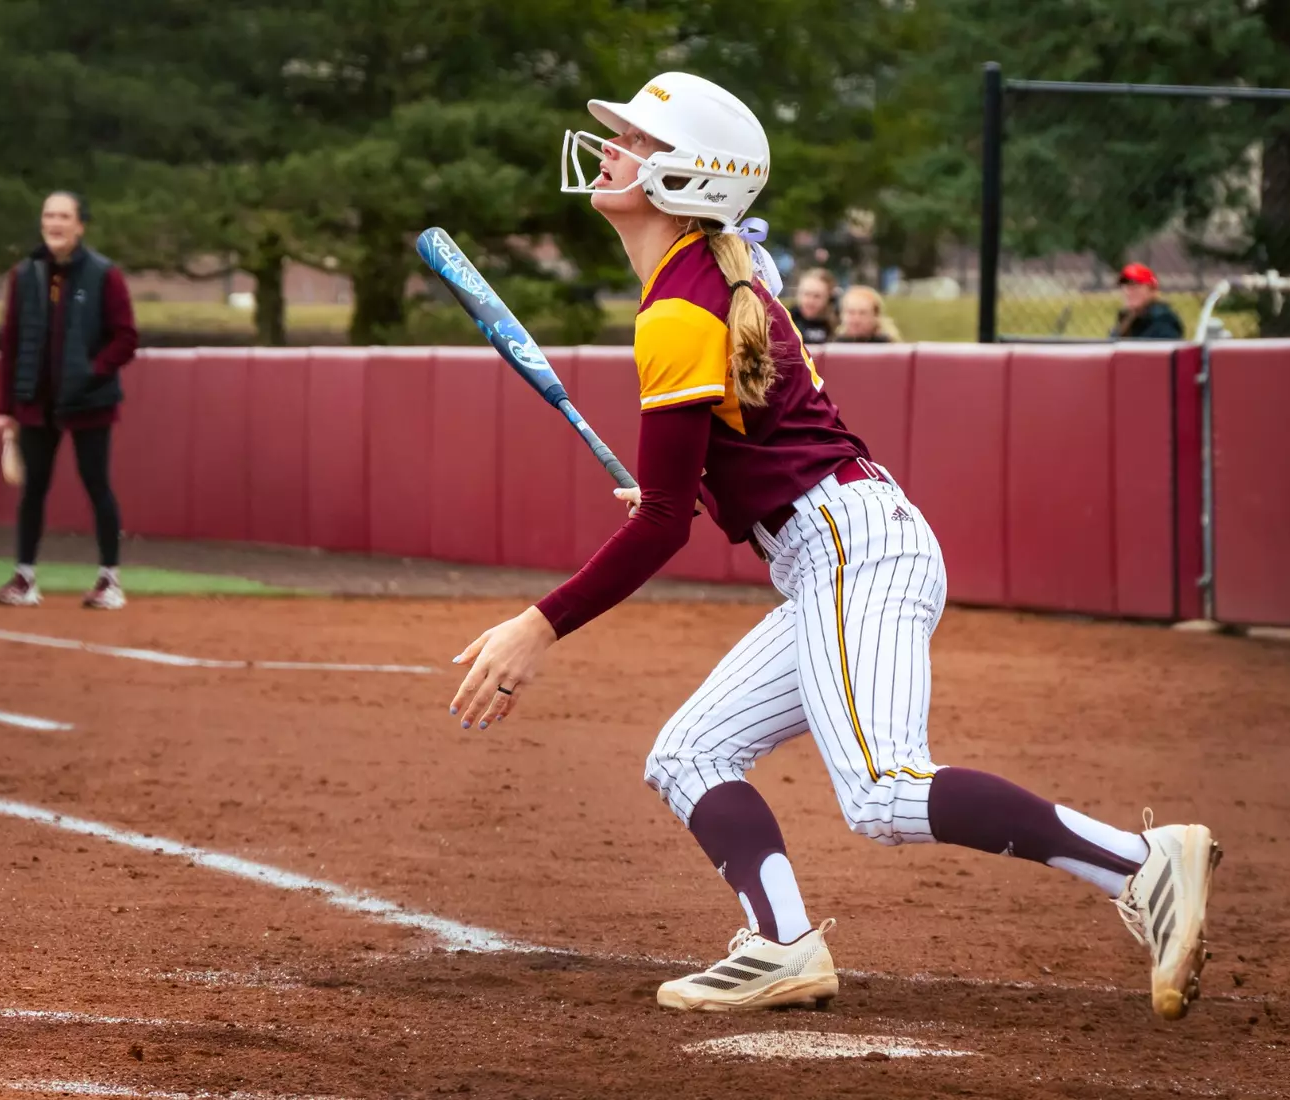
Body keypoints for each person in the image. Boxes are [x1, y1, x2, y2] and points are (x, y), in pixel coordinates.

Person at [452, 72, 1220, 1020]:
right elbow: (723, 460)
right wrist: (679, 485)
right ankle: (783, 948)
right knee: (690, 753)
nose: (609, 150)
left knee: (885, 792)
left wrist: (541, 625)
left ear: (687, 179)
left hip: (852, 547)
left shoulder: (682, 308)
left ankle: (1143, 865)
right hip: (834, 545)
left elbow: (661, 525)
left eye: (636, 143)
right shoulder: (711, 277)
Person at [0, 191, 139, 610]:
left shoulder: (104, 275)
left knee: (97, 485)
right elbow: (11, 342)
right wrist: (4, 407)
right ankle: (25, 578)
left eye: (63, 216)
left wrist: (92, 371)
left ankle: (109, 580)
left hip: (89, 401)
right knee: (33, 489)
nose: (54, 223)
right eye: (48, 215)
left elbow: (126, 337)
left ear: (80, 225)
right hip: (37, 402)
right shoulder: (25, 275)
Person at [1111, 262, 1184, 339]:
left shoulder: (1162, 320)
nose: (1128, 292)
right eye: (1125, 286)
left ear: (1152, 290)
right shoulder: (1126, 320)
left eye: (1135, 285)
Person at [835, 284, 900, 343]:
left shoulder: (888, 348)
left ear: (875, 316)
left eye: (863, 313)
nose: (856, 319)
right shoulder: (833, 348)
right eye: (851, 313)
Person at [792, 268, 837, 345]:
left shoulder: (837, 326)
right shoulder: (785, 321)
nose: (810, 301)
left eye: (817, 296)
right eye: (806, 294)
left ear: (829, 298)